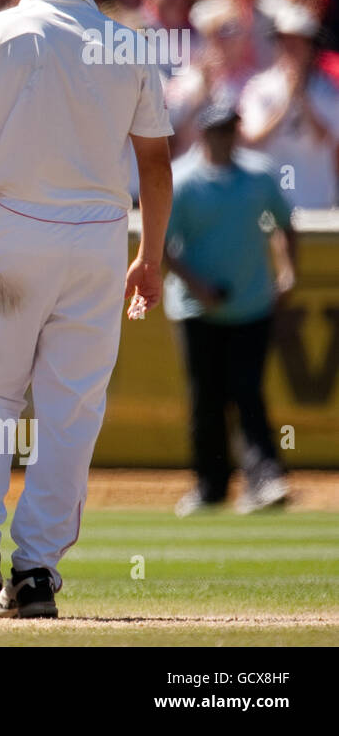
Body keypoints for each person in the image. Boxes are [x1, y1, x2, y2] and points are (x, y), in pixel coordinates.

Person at [0, 0, 173, 618]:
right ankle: (34, 571)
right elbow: (155, 168)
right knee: (70, 412)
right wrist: (149, 256)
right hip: (97, 239)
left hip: (9, 227)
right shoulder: (129, 46)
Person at [164, 101, 294, 516]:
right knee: (206, 398)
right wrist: (199, 287)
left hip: (252, 303)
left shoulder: (259, 174)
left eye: (231, 129)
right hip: (195, 309)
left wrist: (287, 271)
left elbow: (283, 224)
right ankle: (210, 487)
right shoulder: (182, 181)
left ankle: (264, 480)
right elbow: (162, 247)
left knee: (248, 392)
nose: (226, 137)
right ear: (204, 134)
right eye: (218, 130)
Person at [239, 3, 339, 209]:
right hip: (269, 203)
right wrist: (286, 103)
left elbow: (328, 139)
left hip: (317, 200)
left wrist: (302, 100)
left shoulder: (328, 90)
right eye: (285, 42)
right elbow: (252, 138)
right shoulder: (260, 88)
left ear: (311, 47)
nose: (291, 49)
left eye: (298, 42)